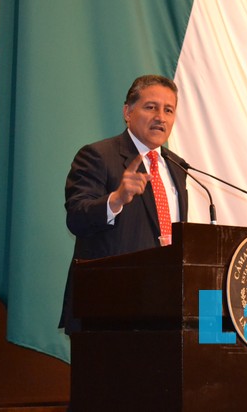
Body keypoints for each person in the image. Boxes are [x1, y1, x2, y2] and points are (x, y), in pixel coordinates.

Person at [60, 74, 189, 331]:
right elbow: (76, 217)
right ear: (127, 112)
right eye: (151, 107)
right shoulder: (98, 156)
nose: (160, 117)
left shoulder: (178, 167)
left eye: (168, 110)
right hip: (107, 308)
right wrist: (116, 199)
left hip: (163, 306)